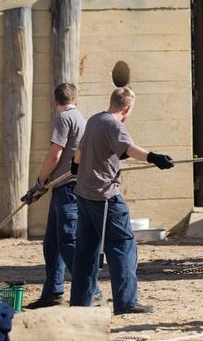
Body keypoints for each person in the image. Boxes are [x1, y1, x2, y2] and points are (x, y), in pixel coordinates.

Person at [69, 87, 174, 315]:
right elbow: (128, 150)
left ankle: (79, 301)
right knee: (123, 246)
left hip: (84, 195)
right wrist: (153, 157)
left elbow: (80, 150)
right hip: (105, 197)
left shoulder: (96, 119)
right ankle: (126, 302)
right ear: (128, 108)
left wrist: (76, 165)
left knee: (86, 252)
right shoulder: (114, 124)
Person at [24, 83, 104, 309]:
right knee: (52, 243)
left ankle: (93, 291)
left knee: (69, 242)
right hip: (62, 188)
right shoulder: (80, 117)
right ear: (75, 100)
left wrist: (39, 183)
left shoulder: (64, 118)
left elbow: (54, 156)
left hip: (68, 188)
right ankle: (53, 292)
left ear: (55, 101)